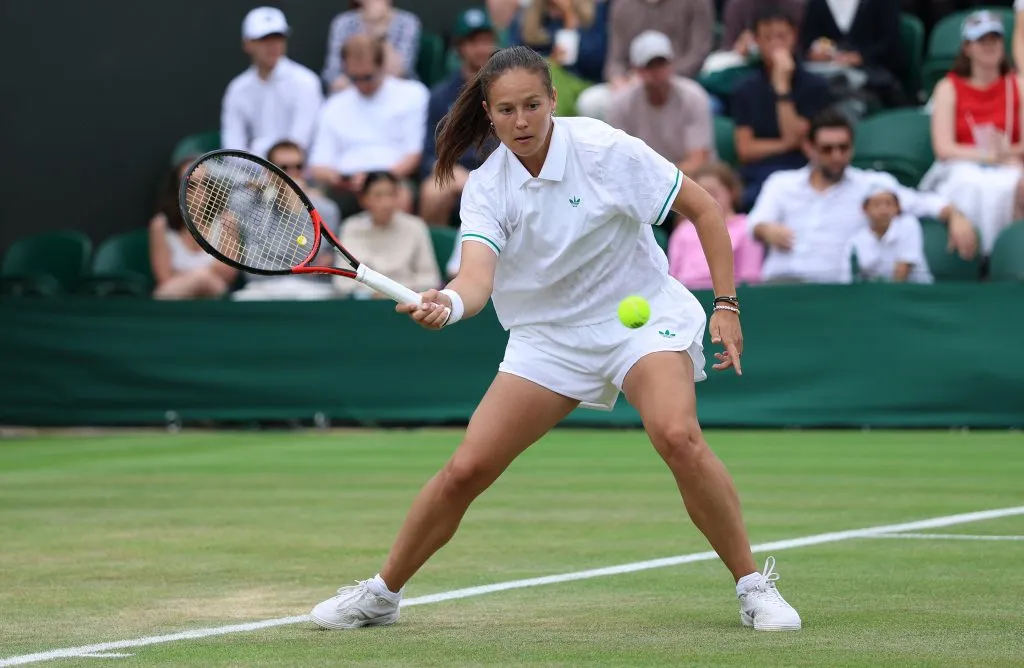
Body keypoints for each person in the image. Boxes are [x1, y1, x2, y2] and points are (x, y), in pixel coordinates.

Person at [309, 45, 802, 633]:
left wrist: (725, 305)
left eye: (533, 106)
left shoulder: (604, 148)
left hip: (635, 321)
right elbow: (475, 280)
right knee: (466, 470)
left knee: (678, 435)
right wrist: (449, 303)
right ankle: (382, 593)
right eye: (507, 110)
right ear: (488, 114)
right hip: (548, 339)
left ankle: (753, 587)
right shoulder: (488, 187)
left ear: (553, 101)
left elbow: (704, 208)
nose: (521, 122)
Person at [748, 109, 977, 284]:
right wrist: (765, 230)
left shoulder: (871, 186)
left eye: (843, 148)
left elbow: (923, 202)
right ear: (810, 148)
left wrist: (954, 215)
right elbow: (754, 224)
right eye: (827, 149)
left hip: (833, 290)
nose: (837, 156)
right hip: (780, 284)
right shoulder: (781, 183)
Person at [923, 10, 1024, 256]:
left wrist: (1005, 152)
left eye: (995, 39)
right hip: (962, 165)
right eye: (982, 40)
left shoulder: (1018, 85)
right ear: (967, 47)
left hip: (1009, 163)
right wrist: (988, 156)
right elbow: (944, 147)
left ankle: (1007, 257)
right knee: (969, 184)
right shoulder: (948, 87)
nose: (990, 46)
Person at [731, 6, 830, 210]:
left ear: (794, 37)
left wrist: (782, 88)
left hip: (800, 169)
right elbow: (746, 149)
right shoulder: (745, 88)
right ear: (756, 41)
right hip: (757, 172)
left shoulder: (815, 86)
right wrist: (787, 143)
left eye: (781, 36)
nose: (775, 44)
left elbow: (798, 138)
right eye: (768, 38)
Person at [419, 8, 499, 226]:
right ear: (460, 47)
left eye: (486, 41)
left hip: (500, 171)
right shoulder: (441, 95)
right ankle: (436, 258)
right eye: (473, 42)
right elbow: (429, 154)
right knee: (434, 191)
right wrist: (452, 171)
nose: (481, 49)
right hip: (457, 174)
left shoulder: (507, 87)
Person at [606, 31, 716, 176]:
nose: (657, 71)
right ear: (637, 69)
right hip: (643, 182)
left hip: (691, 180)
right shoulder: (621, 104)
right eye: (650, 65)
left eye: (662, 63)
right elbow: (618, 161)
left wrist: (656, 179)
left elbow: (698, 161)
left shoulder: (694, 97)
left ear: (672, 63)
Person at [220, 7, 324, 158]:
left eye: (278, 38)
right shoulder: (237, 89)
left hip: (295, 174)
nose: (273, 45)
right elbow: (232, 147)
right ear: (247, 44)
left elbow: (299, 143)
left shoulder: (306, 82)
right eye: (264, 39)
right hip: (252, 177)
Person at [333, 172, 442, 299]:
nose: (386, 203)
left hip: (408, 301)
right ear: (364, 199)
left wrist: (401, 292)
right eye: (378, 196)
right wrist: (373, 293)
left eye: (391, 195)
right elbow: (343, 281)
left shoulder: (415, 226)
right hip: (364, 304)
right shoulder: (351, 227)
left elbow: (430, 278)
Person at [149, 159, 238, 299]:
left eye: (205, 183)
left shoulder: (227, 220)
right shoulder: (160, 225)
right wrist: (202, 277)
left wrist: (192, 278)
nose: (199, 191)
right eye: (191, 185)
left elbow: (227, 273)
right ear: (177, 189)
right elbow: (164, 278)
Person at [669, 163, 763, 290]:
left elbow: (750, 278)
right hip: (687, 298)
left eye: (713, 193)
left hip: (728, 298)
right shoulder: (682, 230)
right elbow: (673, 277)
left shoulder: (747, 227)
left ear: (731, 192)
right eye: (701, 194)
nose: (707, 201)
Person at [321, 0, 421, 91]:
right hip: (350, 92)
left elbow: (399, 71)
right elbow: (332, 72)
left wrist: (378, 31)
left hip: (394, 93)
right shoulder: (343, 23)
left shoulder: (408, 22)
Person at [842, 184, 932, 284]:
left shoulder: (908, 224)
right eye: (877, 205)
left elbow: (903, 270)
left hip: (916, 293)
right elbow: (850, 278)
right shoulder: (856, 241)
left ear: (897, 208)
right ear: (865, 209)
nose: (884, 210)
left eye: (889, 204)